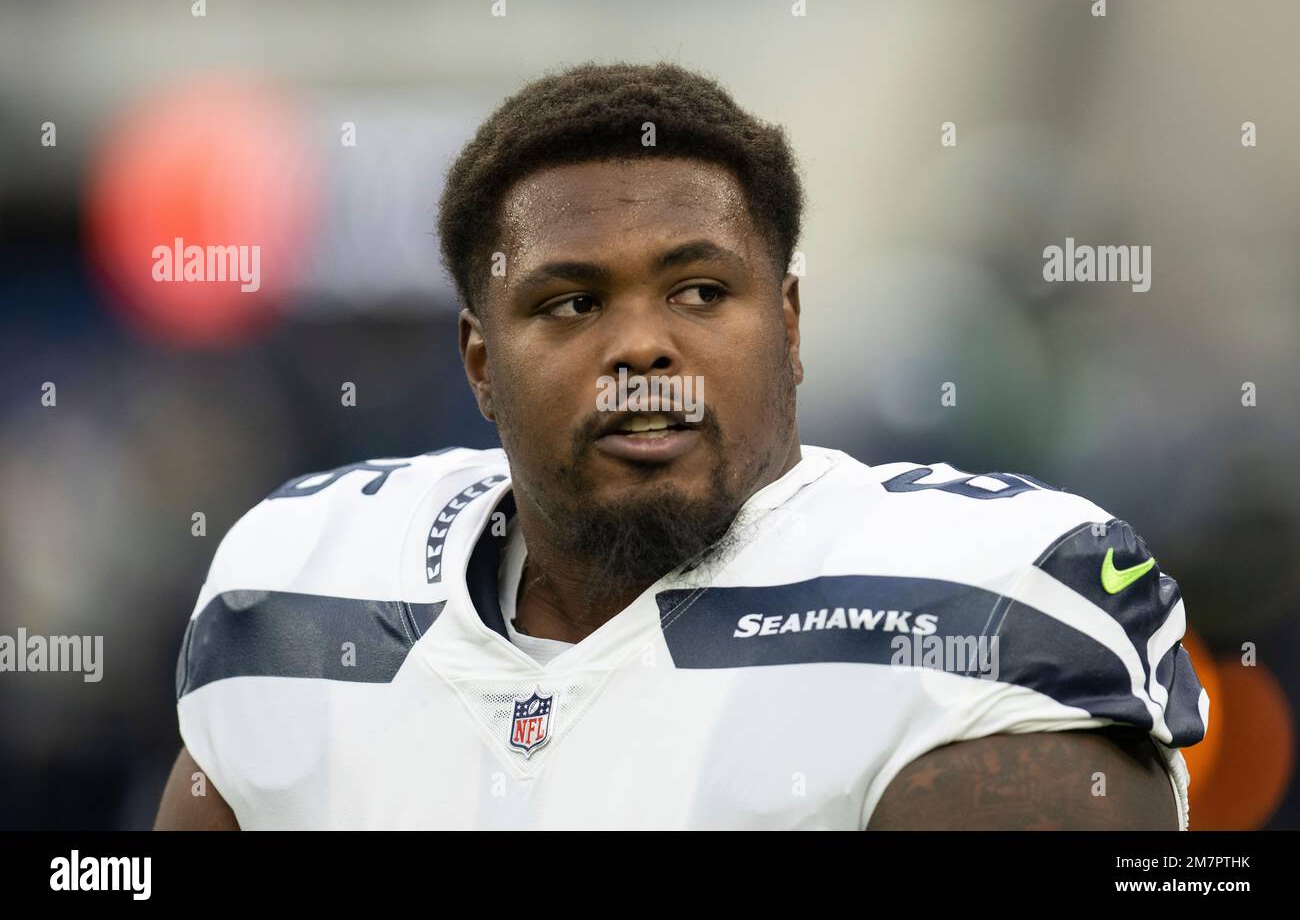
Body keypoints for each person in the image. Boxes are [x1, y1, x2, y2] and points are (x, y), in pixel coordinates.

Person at [156, 62, 1205, 830]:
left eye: (700, 289)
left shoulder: (976, 604)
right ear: (480, 364)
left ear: (788, 327)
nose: (643, 343)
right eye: (570, 302)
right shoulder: (300, 587)